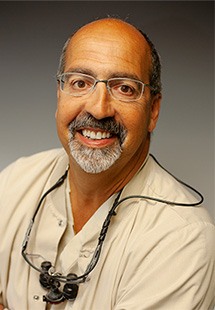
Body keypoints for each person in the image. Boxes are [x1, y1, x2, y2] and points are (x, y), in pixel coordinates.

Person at [0, 17, 214, 310]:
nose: (98, 108)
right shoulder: (15, 182)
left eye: (124, 88)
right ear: (59, 94)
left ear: (153, 110)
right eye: (80, 82)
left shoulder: (182, 239)